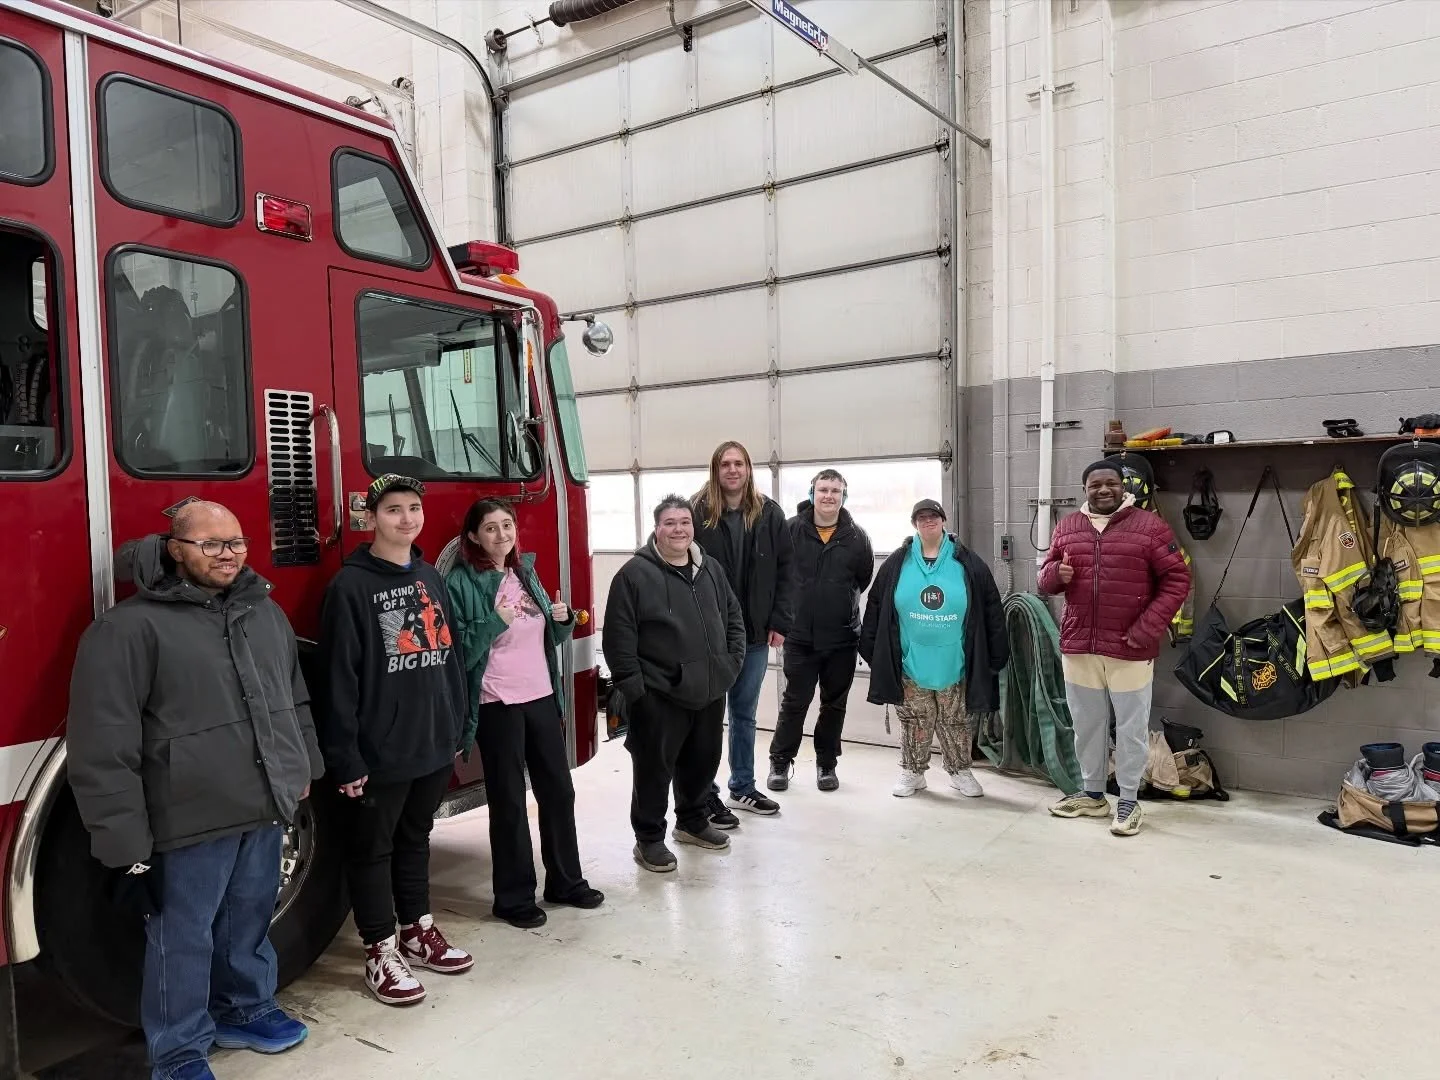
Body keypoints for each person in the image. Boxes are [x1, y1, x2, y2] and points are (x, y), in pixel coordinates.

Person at [67, 501, 321, 1080]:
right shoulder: (126, 630)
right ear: (174, 549)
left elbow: (294, 699)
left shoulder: (266, 615)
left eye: (235, 541)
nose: (227, 553)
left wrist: (302, 766)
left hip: (262, 804)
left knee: (249, 920)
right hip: (186, 819)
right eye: (210, 544)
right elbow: (103, 747)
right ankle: (178, 1050)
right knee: (181, 939)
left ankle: (246, 1009)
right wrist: (124, 843)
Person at [318, 474, 472, 1007]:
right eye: (393, 511)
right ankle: (379, 949)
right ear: (370, 518)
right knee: (371, 850)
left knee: (415, 839)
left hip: (430, 744)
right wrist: (346, 757)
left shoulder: (430, 575)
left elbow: (447, 659)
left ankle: (417, 929)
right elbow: (339, 681)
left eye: (413, 509)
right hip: (379, 754)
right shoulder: (350, 587)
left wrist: (454, 724)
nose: (406, 519)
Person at [446, 497, 604, 929]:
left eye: (508, 525)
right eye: (491, 528)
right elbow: (459, 650)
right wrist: (493, 621)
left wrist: (564, 620)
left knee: (558, 791)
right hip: (497, 703)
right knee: (510, 802)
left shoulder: (523, 572)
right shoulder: (462, 582)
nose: (502, 534)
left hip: (539, 696)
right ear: (474, 536)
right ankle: (513, 898)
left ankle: (566, 882)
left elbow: (545, 636)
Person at [1037, 460, 1191, 837]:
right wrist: (1056, 575)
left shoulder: (1149, 527)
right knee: (1087, 725)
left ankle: (1128, 800)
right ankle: (1092, 795)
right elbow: (1044, 579)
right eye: (1095, 485)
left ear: (1122, 488)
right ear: (1084, 489)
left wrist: (1148, 628)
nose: (1102, 490)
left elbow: (1177, 579)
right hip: (1079, 646)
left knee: (1131, 729)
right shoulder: (1068, 526)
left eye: (1110, 484)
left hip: (1129, 647)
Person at [603, 495, 746, 873]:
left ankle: (693, 822)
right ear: (656, 528)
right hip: (659, 693)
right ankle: (649, 839)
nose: (678, 529)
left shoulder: (710, 568)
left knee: (702, 761)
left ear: (692, 527)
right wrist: (637, 691)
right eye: (670, 523)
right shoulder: (633, 575)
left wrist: (730, 664)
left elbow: (733, 616)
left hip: (710, 688)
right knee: (653, 770)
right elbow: (618, 638)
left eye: (684, 522)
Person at [859, 499, 1008, 799]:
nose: (928, 522)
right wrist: (874, 650)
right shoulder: (897, 562)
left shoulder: (967, 561)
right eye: (921, 518)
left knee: (956, 719)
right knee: (915, 718)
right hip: (911, 660)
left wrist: (995, 654)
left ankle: (959, 771)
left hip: (955, 660)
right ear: (914, 523)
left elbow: (991, 607)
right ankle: (912, 772)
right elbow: (876, 605)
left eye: (933, 517)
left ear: (943, 520)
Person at [691, 440, 796, 825]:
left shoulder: (769, 513)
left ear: (749, 469)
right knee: (706, 717)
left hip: (753, 633)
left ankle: (742, 787)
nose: (732, 470)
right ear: (715, 470)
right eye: (725, 464)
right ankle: (703, 794)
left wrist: (780, 621)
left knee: (744, 714)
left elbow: (788, 571)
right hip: (709, 634)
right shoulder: (697, 512)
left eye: (739, 464)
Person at [767, 469, 874, 792]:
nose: (829, 496)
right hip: (800, 637)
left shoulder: (857, 538)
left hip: (842, 638)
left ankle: (827, 765)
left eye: (836, 491)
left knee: (834, 704)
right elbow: (776, 578)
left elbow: (862, 579)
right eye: (823, 489)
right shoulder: (790, 531)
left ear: (843, 497)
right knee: (794, 702)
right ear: (812, 494)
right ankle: (780, 763)